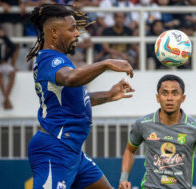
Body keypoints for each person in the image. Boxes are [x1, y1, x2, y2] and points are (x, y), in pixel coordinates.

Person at [26, 4, 134, 189]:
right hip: (54, 148)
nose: (77, 33)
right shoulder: (50, 60)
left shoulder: (59, 61)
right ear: (53, 32)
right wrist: (106, 63)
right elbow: (70, 78)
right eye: (72, 29)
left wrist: (108, 95)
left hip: (72, 151)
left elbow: (76, 101)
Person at [119, 74, 196, 189]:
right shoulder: (143, 124)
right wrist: (123, 179)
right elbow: (130, 150)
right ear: (157, 97)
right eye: (165, 93)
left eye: (175, 93)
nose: (170, 98)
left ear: (183, 98)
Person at [0, 21, 16, 109]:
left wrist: (6, 58)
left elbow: (12, 47)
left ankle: (6, 99)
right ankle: (7, 100)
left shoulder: (1, 37)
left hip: (0, 62)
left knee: (12, 72)